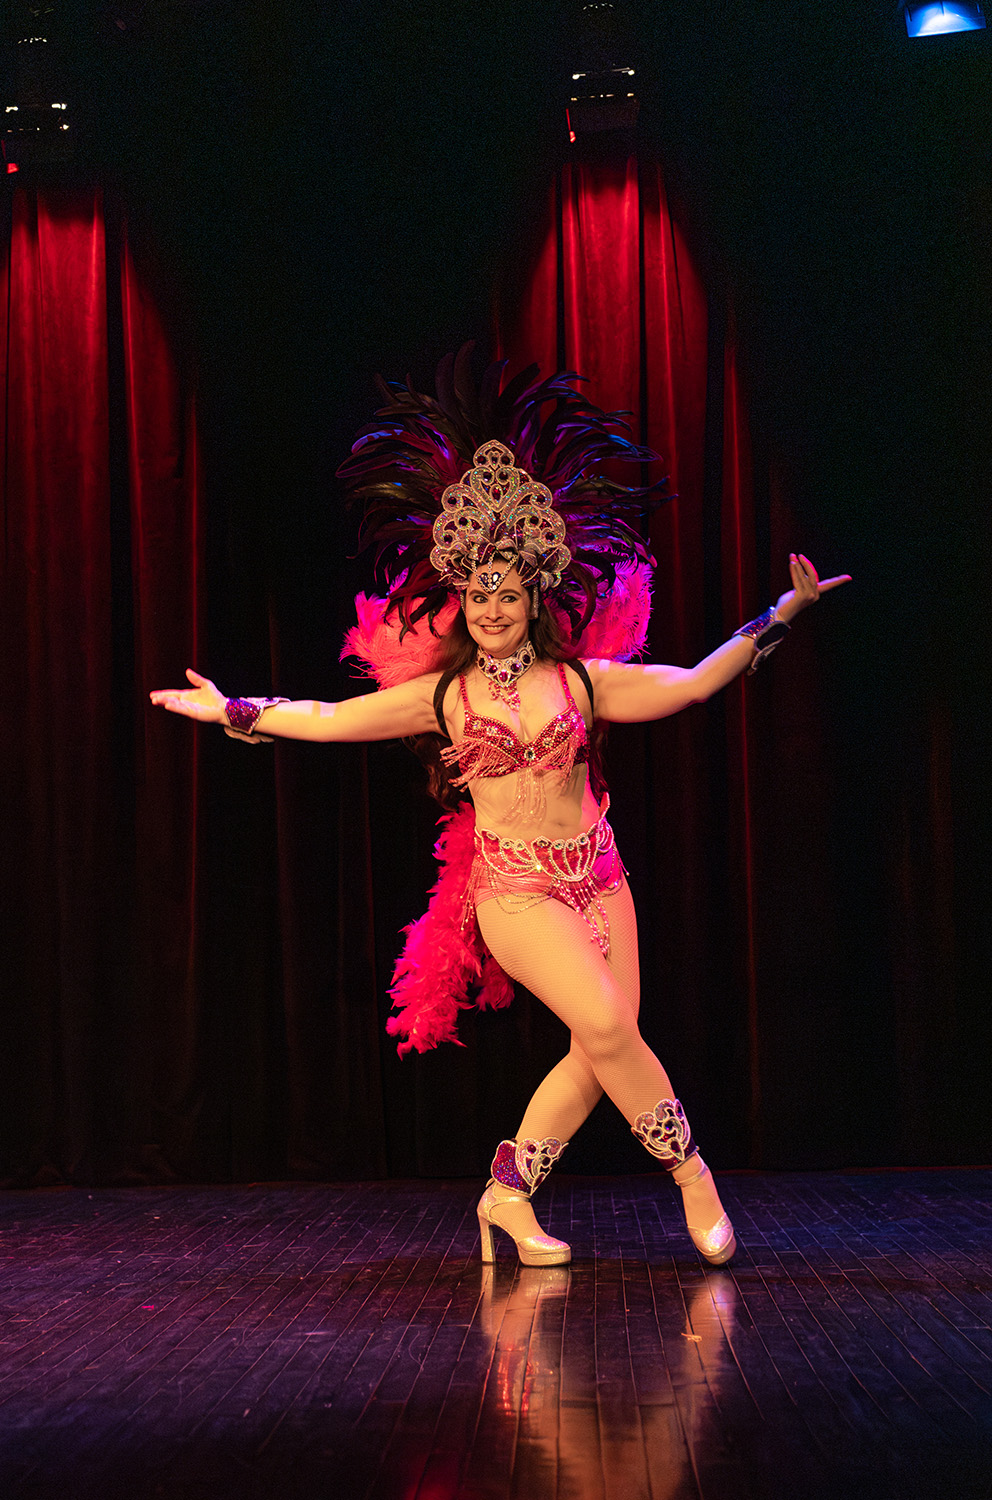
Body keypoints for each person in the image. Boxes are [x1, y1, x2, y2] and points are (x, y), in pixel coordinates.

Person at [151, 352, 850, 1270]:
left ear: (532, 600)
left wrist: (780, 615)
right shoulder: (442, 698)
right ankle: (692, 1175)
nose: (490, 609)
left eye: (507, 594)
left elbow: (688, 685)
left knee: (599, 1050)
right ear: (461, 600)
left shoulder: (582, 682)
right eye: (477, 594)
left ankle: (507, 1194)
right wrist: (233, 710)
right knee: (610, 1031)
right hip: (516, 893)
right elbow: (328, 718)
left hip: (600, 875)